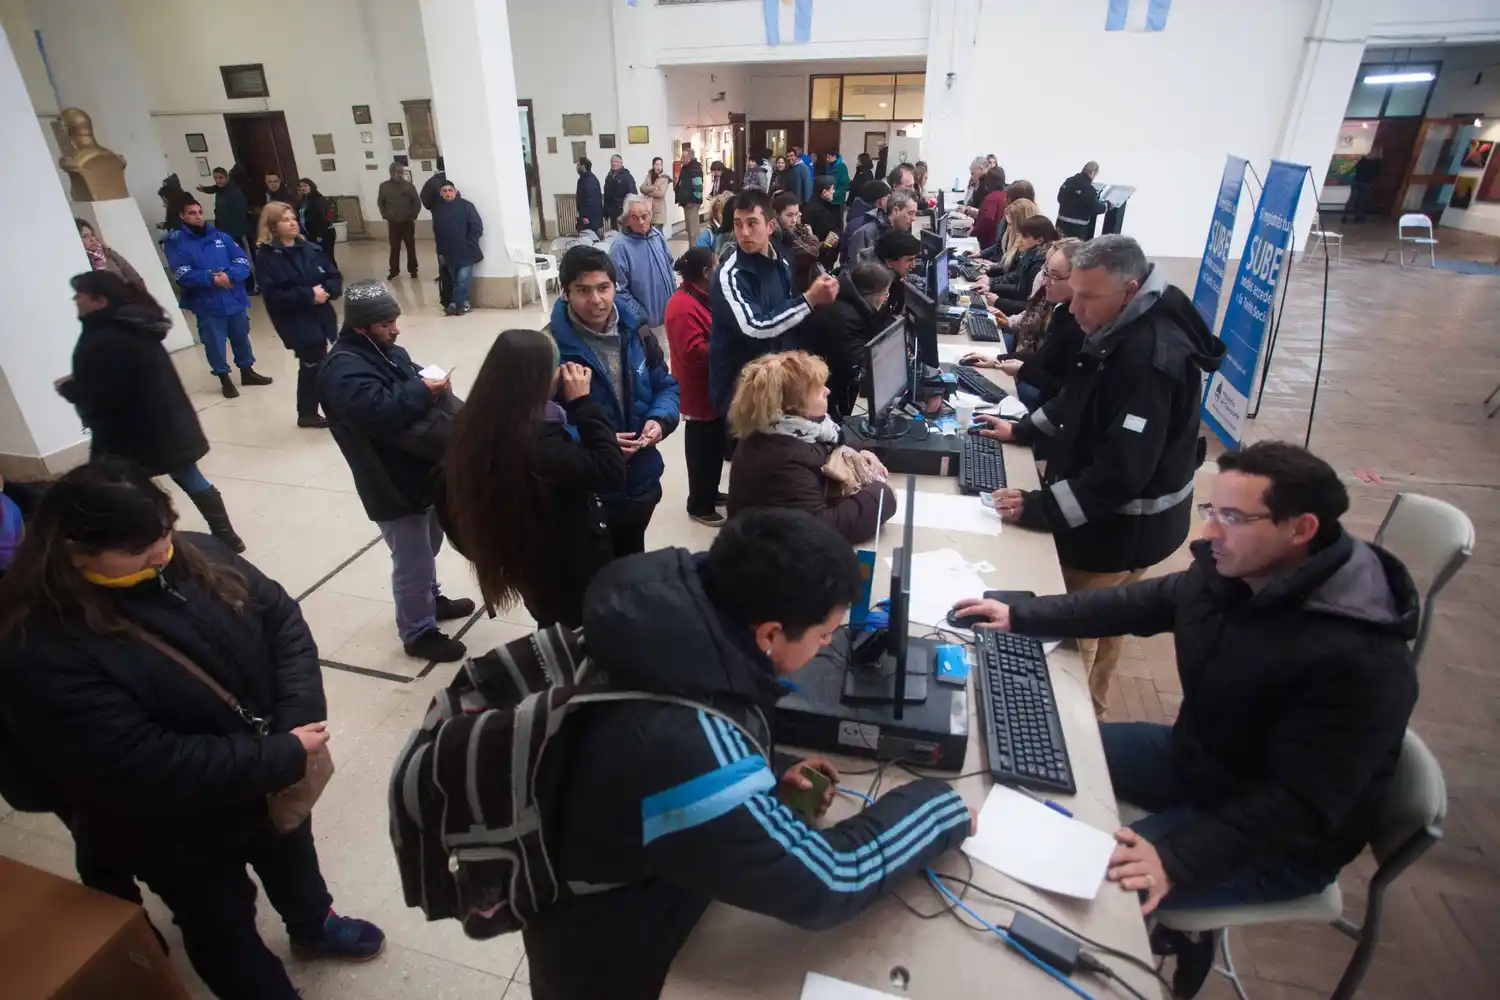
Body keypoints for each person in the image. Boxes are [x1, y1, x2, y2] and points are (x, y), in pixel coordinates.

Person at [952, 441, 1418, 995]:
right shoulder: (1237, 568)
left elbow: (1302, 805)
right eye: (1211, 511)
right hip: (1203, 757)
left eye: (1234, 518)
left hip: (1279, 840)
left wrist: (1175, 859)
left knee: (1085, 891)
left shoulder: (1359, 661)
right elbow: (1148, 603)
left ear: (1301, 529)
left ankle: (1137, 957)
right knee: (1043, 746)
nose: (1210, 533)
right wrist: (1023, 614)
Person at [522, 507, 975, 999]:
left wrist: (766, 770)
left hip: (612, 885)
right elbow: (832, 881)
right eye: (824, 634)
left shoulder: (663, 625)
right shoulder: (689, 747)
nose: (828, 646)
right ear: (770, 635)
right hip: (611, 964)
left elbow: (654, 742)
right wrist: (939, 807)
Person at [0, 460, 386, 1000]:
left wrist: (293, 722)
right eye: (139, 549)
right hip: (173, 828)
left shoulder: (195, 552)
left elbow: (281, 620)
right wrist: (277, 756)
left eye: (164, 532)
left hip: (268, 773)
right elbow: (139, 762)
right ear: (74, 551)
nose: (162, 552)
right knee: (219, 923)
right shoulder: (40, 646)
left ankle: (312, 923)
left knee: (292, 852)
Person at [973, 235, 1225, 716]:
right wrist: (1024, 430)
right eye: (1077, 292)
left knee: (1080, 633)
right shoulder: (1119, 326)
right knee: (1109, 621)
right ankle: (1095, 710)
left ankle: (1076, 729)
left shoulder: (1150, 359)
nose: (1076, 308)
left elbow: (1119, 476)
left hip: (1123, 528)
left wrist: (1038, 507)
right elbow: (1078, 396)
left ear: (1130, 291)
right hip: (1124, 521)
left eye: (1089, 297)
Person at [318, 279, 475, 662]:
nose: (396, 329)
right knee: (412, 560)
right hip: (390, 484)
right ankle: (417, 632)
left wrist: (431, 383)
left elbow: (410, 377)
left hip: (420, 473)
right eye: (387, 323)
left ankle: (429, 598)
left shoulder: (386, 351)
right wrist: (425, 391)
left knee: (430, 544)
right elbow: (379, 413)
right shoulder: (342, 371)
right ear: (361, 327)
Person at [444, 330, 626, 628]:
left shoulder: (481, 420)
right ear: (537, 382)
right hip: (563, 570)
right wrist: (583, 403)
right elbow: (610, 471)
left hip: (528, 561)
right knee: (574, 635)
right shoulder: (537, 445)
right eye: (556, 368)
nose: (563, 374)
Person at [58, 271, 244, 552]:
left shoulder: (108, 336)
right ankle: (227, 536)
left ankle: (148, 543)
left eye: (80, 294)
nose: (75, 299)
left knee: (126, 490)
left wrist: (72, 389)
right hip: (166, 423)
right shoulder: (135, 324)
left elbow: (108, 392)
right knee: (189, 478)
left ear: (99, 300)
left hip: (132, 432)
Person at [549, 246, 681, 555]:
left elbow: (666, 386)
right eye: (583, 290)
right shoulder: (550, 349)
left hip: (641, 482)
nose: (596, 300)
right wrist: (594, 442)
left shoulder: (638, 332)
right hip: (588, 491)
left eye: (603, 288)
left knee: (632, 558)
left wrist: (659, 420)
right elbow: (538, 428)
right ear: (566, 292)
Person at [727, 350, 894, 545]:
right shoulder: (783, 459)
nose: (827, 391)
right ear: (789, 405)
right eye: (817, 389)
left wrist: (859, 455)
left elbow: (823, 450)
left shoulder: (790, 429)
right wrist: (882, 494)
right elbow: (823, 529)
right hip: (769, 563)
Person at [709, 189, 838, 416]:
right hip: (744, 393)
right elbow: (756, 328)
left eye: (752, 223)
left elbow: (785, 320)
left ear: (770, 226)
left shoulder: (781, 260)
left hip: (777, 382)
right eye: (738, 224)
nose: (744, 232)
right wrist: (809, 300)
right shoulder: (730, 275)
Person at [165, 197, 274, 399]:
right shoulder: (176, 243)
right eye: (191, 213)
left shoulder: (221, 236)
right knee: (214, 342)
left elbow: (242, 260)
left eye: (199, 212)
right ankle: (224, 378)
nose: (198, 216)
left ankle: (247, 371)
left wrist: (229, 275)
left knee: (241, 336)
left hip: (234, 297)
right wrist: (211, 278)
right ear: (182, 216)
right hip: (207, 302)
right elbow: (181, 272)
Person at [964, 238, 1085, 411]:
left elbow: (1067, 390)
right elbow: (1043, 357)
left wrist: (1022, 371)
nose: (1045, 281)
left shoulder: (1079, 325)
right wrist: (998, 360)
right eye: (1046, 272)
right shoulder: (1061, 310)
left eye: (1055, 276)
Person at [255, 202, 341, 429]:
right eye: (285, 219)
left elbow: (333, 276)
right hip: (297, 320)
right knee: (314, 364)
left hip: (322, 315)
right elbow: (274, 296)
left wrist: (328, 291)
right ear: (273, 226)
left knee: (317, 364)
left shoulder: (311, 248)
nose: (292, 223)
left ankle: (312, 410)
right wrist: (308, 295)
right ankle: (311, 412)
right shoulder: (268, 257)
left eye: (293, 218)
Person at [665, 246, 727, 527]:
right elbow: (692, 352)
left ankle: (710, 492)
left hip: (712, 387)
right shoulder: (682, 307)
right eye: (716, 266)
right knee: (702, 449)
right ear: (705, 272)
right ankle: (699, 504)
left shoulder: (700, 296)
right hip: (697, 389)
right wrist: (726, 343)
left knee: (714, 446)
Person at [806, 259, 894, 420]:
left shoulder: (852, 303)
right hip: (831, 392)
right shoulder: (844, 318)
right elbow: (855, 365)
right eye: (885, 294)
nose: (885, 299)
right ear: (871, 295)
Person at [609, 194, 678, 330]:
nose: (641, 222)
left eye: (644, 216)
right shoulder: (619, 247)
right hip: (646, 325)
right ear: (627, 220)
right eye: (635, 217)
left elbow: (670, 266)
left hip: (670, 317)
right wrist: (640, 317)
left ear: (650, 216)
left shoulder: (657, 236)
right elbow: (619, 290)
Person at [432, 181, 483, 316]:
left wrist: (469, 244)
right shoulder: (438, 210)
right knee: (455, 281)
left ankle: (456, 304)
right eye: (444, 191)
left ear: (455, 191)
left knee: (463, 279)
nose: (447, 194)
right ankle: (462, 304)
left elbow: (477, 227)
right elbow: (437, 232)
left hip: (466, 252)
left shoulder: (466, 206)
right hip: (448, 253)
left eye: (450, 190)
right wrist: (440, 253)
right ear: (440, 193)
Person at [988, 212, 1057, 313]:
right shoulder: (1030, 255)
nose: (1019, 240)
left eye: (1024, 237)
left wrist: (998, 300)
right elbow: (1019, 287)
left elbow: (1029, 304)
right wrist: (992, 286)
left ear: (1039, 240)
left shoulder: (1039, 264)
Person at [844, 188, 918, 264]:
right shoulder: (866, 233)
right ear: (895, 211)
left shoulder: (903, 231)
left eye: (915, 213)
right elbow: (855, 270)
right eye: (910, 213)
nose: (914, 218)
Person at [771, 190, 825, 292]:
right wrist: (811, 235)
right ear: (776, 214)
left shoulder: (790, 229)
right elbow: (812, 253)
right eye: (789, 215)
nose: (794, 220)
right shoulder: (783, 235)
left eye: (796, 215)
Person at [377, 163, 421, 279]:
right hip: (393, 222)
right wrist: (385, 215)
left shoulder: (409, 186)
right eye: (398, 172)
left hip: (407, 221)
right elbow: (381, 202)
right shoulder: (384, 187)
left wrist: (413, 215)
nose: (400, 175)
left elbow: (416, 202)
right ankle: (394, 270)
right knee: (394, 247)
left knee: (410, 246)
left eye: (402, 172)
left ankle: (413, 269)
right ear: (392, 172)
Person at [76, 218, 146, 289]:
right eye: (85, 236)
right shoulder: (83, 262)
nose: (92, 239)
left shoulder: (108, 252)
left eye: (92, 235)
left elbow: (134, 276)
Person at [871, 228, 921, 325]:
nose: (914, 265)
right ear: (889, 262)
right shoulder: (873, 291)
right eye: (909, 260)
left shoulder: (894, 278)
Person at [838, 179, 891, 264]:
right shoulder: (862, 223)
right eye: (888, 197)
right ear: (882, 200)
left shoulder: (856, 213)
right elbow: (856, 260)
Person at [1057, 161, 1107, 239]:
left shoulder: (1068, 181)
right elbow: (1095, 208)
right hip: (1077, 228)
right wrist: (1107, 206)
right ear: (1093, 173)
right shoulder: (1088, 188)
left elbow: (1059, 198)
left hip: (1060, 223)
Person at [801, 175, 842, 270]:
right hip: (821, 258)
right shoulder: (819, 212)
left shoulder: (812, 205)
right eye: (832, 189)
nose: (834, 192)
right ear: (824, 192)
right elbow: (829, 236)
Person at [295, 179, 337, 267]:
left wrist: (319, 235)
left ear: (311, 186)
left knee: (326, 255)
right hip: (310, 234)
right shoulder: (302, 202)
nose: (303, 188)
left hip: (323, 233)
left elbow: (322, 218)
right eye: (300, 187)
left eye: (305, 186)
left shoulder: (318, 200)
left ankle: (334, 274)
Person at [969, 166, 1010, 249]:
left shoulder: (991, 198)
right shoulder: (1006, 196)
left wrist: (972, 232)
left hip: (988, 244)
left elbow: (987, 220)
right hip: (1001, 243)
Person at [675, 145, 705, 245]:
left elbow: (698, 187)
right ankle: (691, 251)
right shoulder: (685, 168)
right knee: (689, 230)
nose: (681, 159)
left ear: (690, 158)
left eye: (684, 157)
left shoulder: (695, 169)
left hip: (691, 203)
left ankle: (695, 252)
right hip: (686, 203)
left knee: (693, 231)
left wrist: (693, 201)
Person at [1344, 149, 1383, 223]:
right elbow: (1376, 174)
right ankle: (1358, 217)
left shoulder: (1362, 160)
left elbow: (1354, 169)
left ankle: (1345, 216)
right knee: (1361, 201)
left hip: (1356, 181)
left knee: (1351, 200)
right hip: (1366, 183)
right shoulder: (1377, 163)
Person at [602, 154, 638, 231]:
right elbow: (606, 196)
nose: (613, 163)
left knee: (624, 233)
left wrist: (628, 211)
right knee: (614, 234)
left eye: (616, 162)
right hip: (612, 212)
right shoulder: (609, 177)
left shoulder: (627, 176)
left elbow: (633, 195)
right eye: (612, 162)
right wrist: (605, 212)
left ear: (621, 163)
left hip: (623, 212)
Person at [641, 156, 672, 234]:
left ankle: (661, 246)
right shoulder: (649, 176)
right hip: (649, 210)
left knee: (657, 233)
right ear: (653, 165)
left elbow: (661, 194)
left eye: (660, 164)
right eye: (656, 164)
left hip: (659, 210)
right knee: (650, 233)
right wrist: (652, 188)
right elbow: (642, 188)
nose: (658, 167)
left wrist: (647, 192)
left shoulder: (664, 178)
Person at [575, 157, 604, 236]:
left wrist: (586, 217)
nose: (576, 168)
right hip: (588, 218)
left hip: (589, 219)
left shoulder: (589, 181)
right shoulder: (584, 179)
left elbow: (591, 201)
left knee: (589, 239)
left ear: (583, 166)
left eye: (578, 165)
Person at [823, 148, 850, 222]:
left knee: (836, 220)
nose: (827, 159)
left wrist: (835, 192)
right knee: (828, 219)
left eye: (829, 157)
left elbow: (846, 184)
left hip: (838, 199)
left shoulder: (842, 167)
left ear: (834, 156)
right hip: (827, 197)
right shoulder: (828, 166)